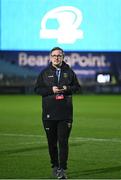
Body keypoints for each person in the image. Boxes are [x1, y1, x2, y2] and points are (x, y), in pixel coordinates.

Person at [35, 47, 81, 179]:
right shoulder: (44, 73)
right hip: (49, 113)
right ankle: (55, 166)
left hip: (65, 114)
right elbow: (37, 90)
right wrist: (51, 90)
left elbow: (77, 87)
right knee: (51, 143)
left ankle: (62, 169)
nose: (56, 58)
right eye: (54, 55)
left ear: (63, 57)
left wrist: (66, 88)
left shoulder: (69, 72)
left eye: (59, 56)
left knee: (63, 142)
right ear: (50, 57)